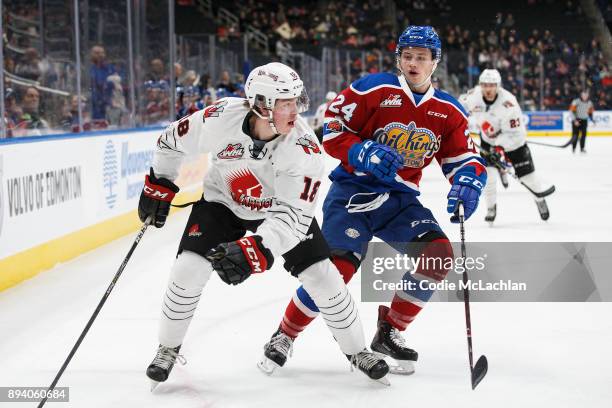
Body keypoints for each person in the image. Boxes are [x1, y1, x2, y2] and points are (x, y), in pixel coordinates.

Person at [138, 62, 390, 388]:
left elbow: (294, 217)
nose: (295, 111)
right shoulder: (219, 118)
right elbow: (170, 141)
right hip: (222, 204)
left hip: (279, 213)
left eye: (297, 101)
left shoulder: (304, 149)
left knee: (323, 277)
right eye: (285, 103)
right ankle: (168, 348)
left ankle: (357, 351)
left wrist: (258, 248)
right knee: (187, 269)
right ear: (260, 104)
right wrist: (160, 181)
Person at [259, 26, 487, 376]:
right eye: (407, 56)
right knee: (336, 273)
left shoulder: (449, 110)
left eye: (421, 57)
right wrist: (360, 150)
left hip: (399, 200)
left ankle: (390, 331)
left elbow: (462, 158)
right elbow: (332, 130)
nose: (413, 63)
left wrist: (470, 179)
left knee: (438, 254)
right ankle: (284, 335)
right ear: (399, 58)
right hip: (352, 193)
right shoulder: (372, 88)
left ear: (435, 63)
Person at [461, 68, 555, 222]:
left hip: (514, 146)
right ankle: (491, 208)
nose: (488, 89)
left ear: (498, 86)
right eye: (484, 85)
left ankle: (539, 200)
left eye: (491, 85)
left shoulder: (509, 103)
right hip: (488, 143)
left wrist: (499, 148)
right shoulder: (474, 96)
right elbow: (458, 109)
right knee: (488, 179)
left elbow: (515, 134)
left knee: (529, 179)